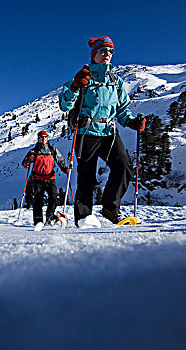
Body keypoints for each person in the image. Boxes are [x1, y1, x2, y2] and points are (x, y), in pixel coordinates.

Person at [59, 36, 146, 227]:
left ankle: (110, 208)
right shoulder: (83, 76)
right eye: (103, 50)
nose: (107, 54)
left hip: (109, 131)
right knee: (86, 178)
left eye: (110, 51)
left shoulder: (116, 81)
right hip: (87, 132)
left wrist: (132, 122)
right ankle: (83, 217)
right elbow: (65, 105)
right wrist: (74, 86)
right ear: (94, 54)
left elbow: (122, 109)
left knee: (124, 167)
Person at [22, 131, 68, 226]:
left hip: (50, 178)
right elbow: (25, 165)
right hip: (37, 179)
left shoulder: (52, 150)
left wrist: (65, 169)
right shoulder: (33, 151)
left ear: (47, 139)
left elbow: (60, 160)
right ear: (38, 139)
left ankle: (50, 217)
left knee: (54, 198)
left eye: (45, 137)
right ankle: (38, 221)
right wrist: (28, 159)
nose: (43, 139)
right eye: (41, 138)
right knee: (38, 200)